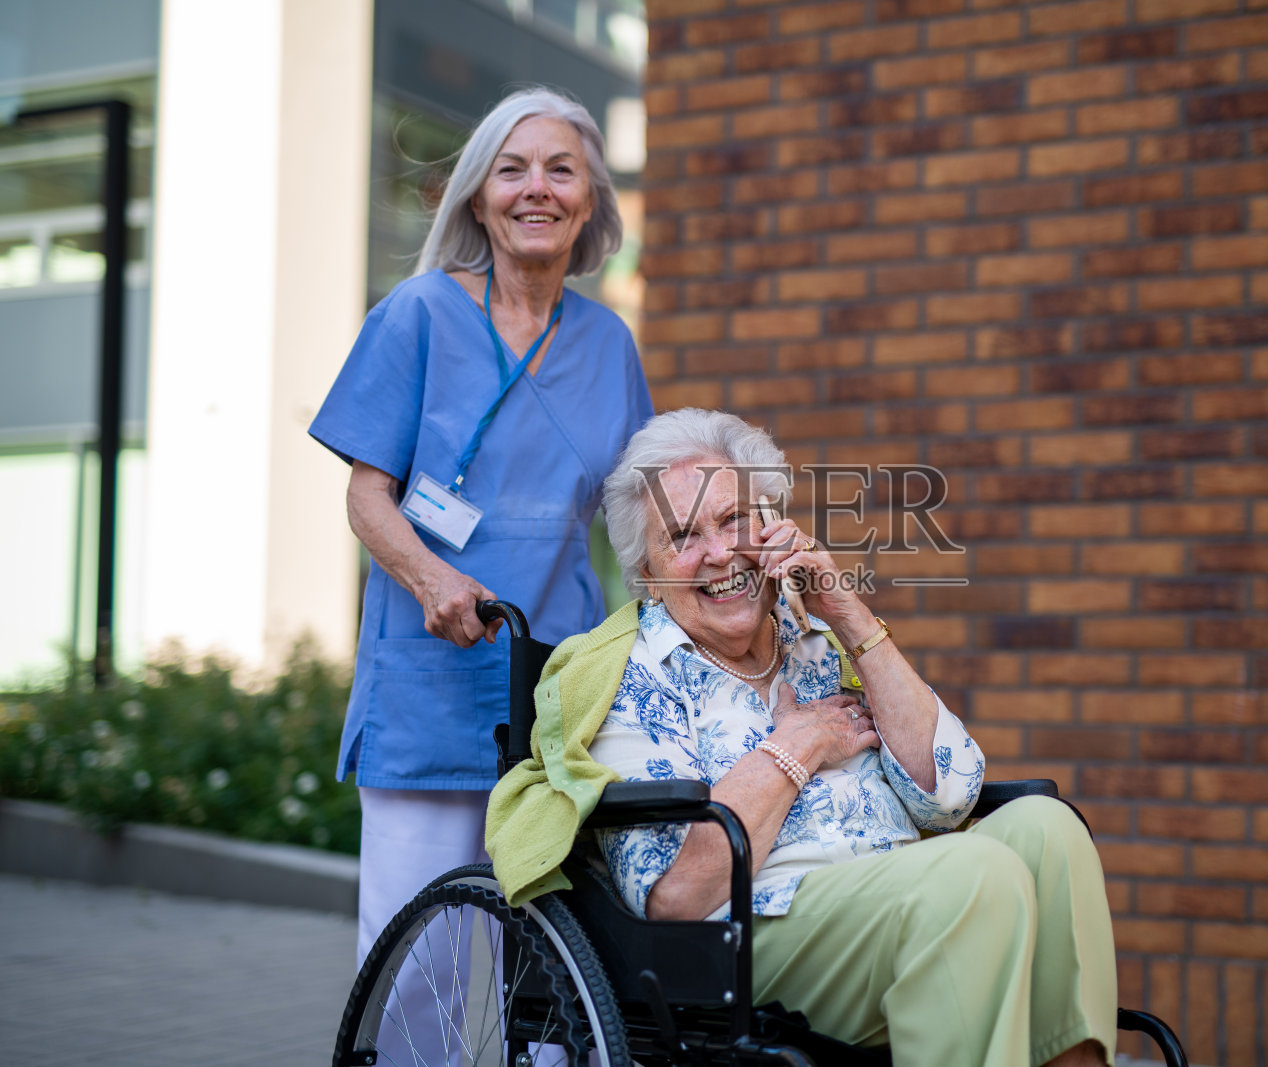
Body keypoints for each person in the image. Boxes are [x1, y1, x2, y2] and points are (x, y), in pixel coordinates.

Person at [487, 409, 1117, 1067]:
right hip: (751, 933)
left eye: (734, 519)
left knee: (1049, 829)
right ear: (648, 572)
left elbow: (951, 796)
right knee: (972, 872)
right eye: (684, 536)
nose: (721, 552)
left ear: (771, 523)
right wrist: (801, 744)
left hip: (896, 881)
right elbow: (673, 893)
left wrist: (847, 612)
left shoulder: (815, 640)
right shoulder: (629, 673)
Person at [308, 86, 653, 979]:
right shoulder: (418, 315)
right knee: (420, 969)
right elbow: (367, 495)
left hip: (557, 693)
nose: (535, 188)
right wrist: (432, 580)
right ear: (477, 195)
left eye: (561, 169)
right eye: (512, 169)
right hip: (431, 682)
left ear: (590, 204)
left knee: (558, 981)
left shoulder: (609, 345)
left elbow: (643, 516)